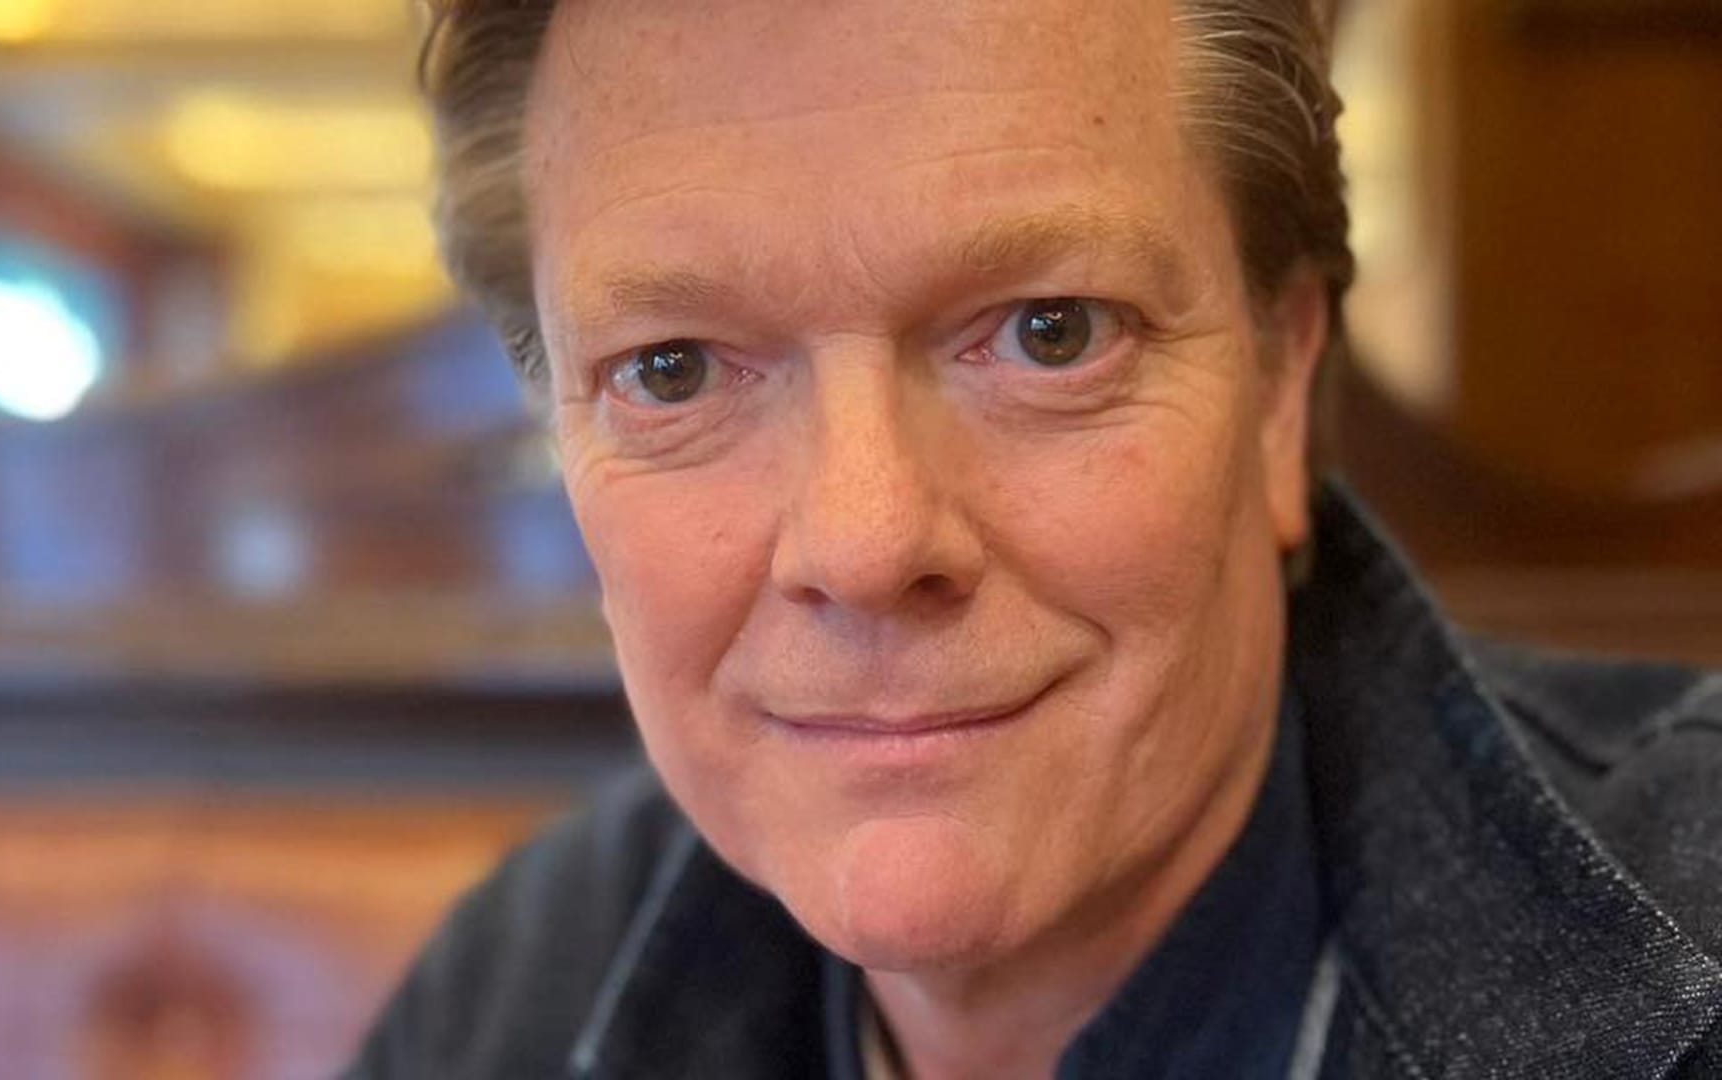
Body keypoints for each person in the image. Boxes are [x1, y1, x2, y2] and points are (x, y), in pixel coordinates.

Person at [346, 1, 1722, 1076]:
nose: (868, 540)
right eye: (673, 370)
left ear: (1279, 386)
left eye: (1048, 334)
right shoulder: (511, 993)